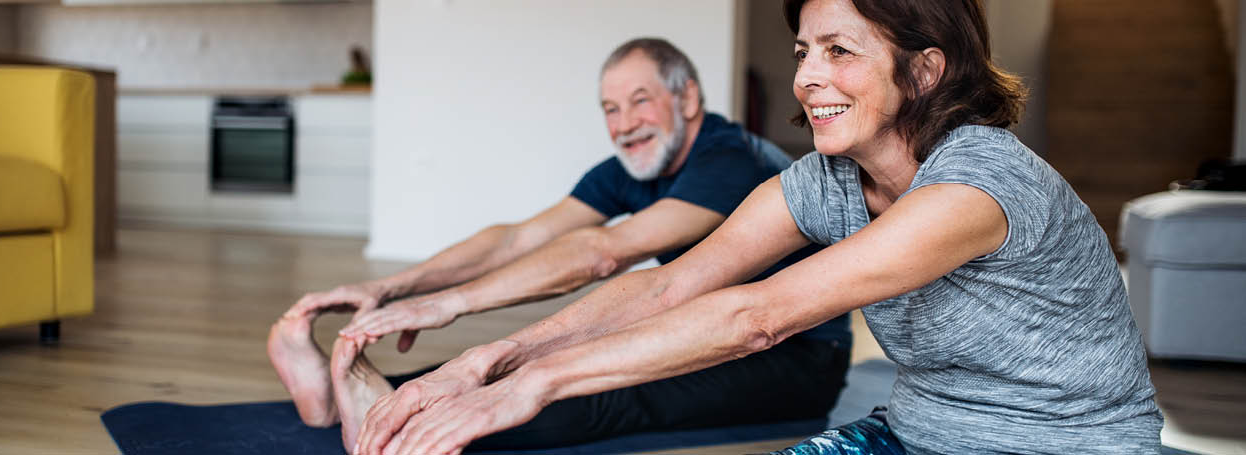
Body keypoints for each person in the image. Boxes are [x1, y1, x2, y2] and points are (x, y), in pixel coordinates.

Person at [348, 1, 1165, 454]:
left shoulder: (979, 185)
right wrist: (491, 357)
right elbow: (672, 283)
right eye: (805, 50)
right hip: (914, 435)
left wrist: (531, 385)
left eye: (839, 51)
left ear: (923, 70)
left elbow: (756, 316)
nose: (808, 77)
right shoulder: (822, 180)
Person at [267, 37, 852, 452]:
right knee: (550, 354)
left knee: (607, 384)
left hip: (790, 359)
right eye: (610, 109)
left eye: (640, 100)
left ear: (689, 100)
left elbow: (604, 251)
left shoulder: (729, 159)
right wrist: (391, 287)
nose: (624, 123)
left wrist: (453, 304)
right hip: (704, 323)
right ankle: (384, 400)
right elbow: (523, 237)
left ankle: (394, 416)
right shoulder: (636, 163)